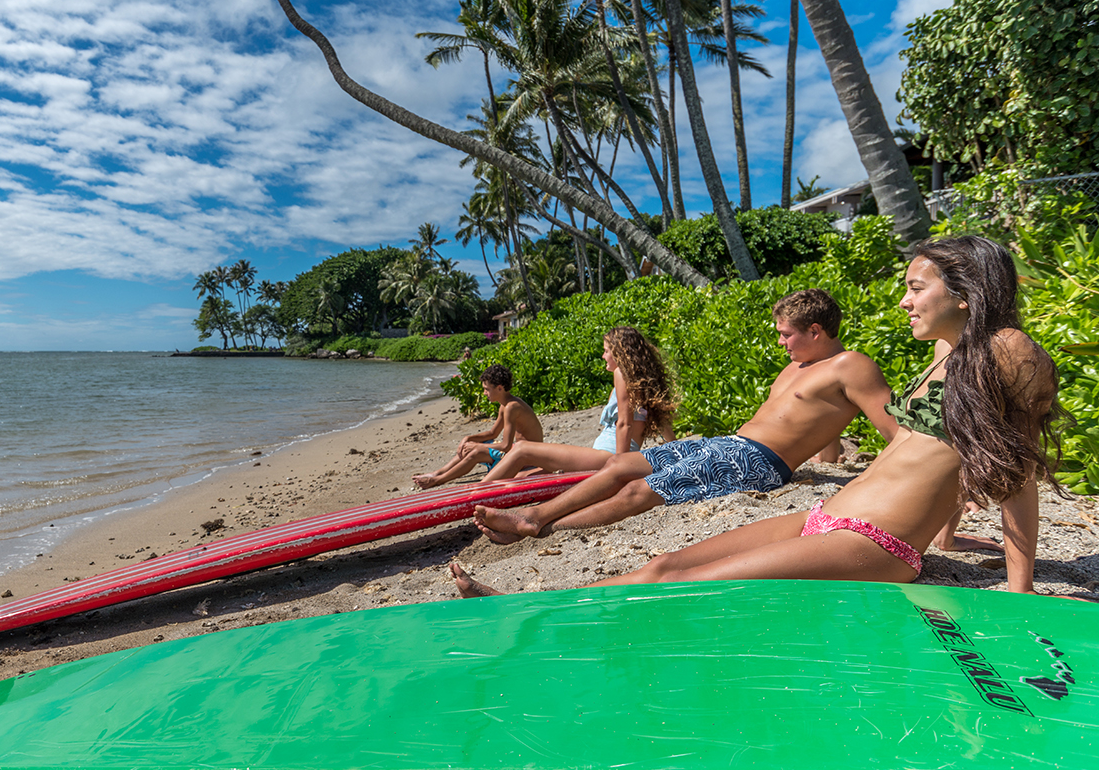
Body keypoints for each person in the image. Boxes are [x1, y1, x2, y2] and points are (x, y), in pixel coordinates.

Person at [454, 236, 1067, 598]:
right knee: (664, 566)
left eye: (915, 287)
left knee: (676, 588)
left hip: (876, 543)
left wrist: (1018, 590)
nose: (903, 301)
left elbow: (1015, 472)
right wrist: (947, 532)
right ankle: (537, 606)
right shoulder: (945, 353)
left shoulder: (1011, 351)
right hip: (830, 515)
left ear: (964, 291)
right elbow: (919, 454)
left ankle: (534, 613)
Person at [472, 289, 897, 542]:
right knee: (621, 464)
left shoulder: (852, 365)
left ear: (815, 332)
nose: (782, 343)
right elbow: (817, 420)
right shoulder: (798, 366)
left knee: (639, 492)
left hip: (759, 462)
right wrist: (829, 458)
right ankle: (538, 514)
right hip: (728, 445)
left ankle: (538, 525)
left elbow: (894, 432)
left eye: (787, 334)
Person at [480, 327, 677, 482]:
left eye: (606, 351)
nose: (603, 356)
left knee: (522, 449)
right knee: (532, 473)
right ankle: (490, 491)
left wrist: (620, 467)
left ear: (620, 353)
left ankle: (475, 494)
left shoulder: (621, 374)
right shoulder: (639, 383)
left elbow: (624, 424)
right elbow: (664, 426)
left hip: (609, 456)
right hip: (606, 455)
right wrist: (678, 453)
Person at [413, 364, 543, 489]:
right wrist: (468, 438)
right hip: (518, 452)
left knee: (476, 451)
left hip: (526, 459)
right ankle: (438, 473)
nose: (484, 393)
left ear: (499, 388)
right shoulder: (505, 405)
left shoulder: (511, 407)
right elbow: (493, 433)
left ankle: (437, 480)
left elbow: (505, 446)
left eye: (487, 389)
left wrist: (477, 446)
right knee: (475, 444)